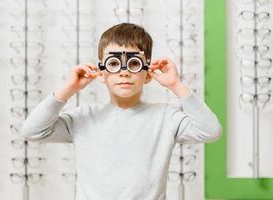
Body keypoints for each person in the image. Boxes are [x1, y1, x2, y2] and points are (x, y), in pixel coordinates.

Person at [21, 22, 222, 200]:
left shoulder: (166, 117)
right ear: (101, 73)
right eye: (114, 64)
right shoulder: (83, 118)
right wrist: (68, 89)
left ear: (148, 74)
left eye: (134, 63)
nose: (124, 72)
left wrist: (176, 85)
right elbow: (32, 131)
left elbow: (211, 131)